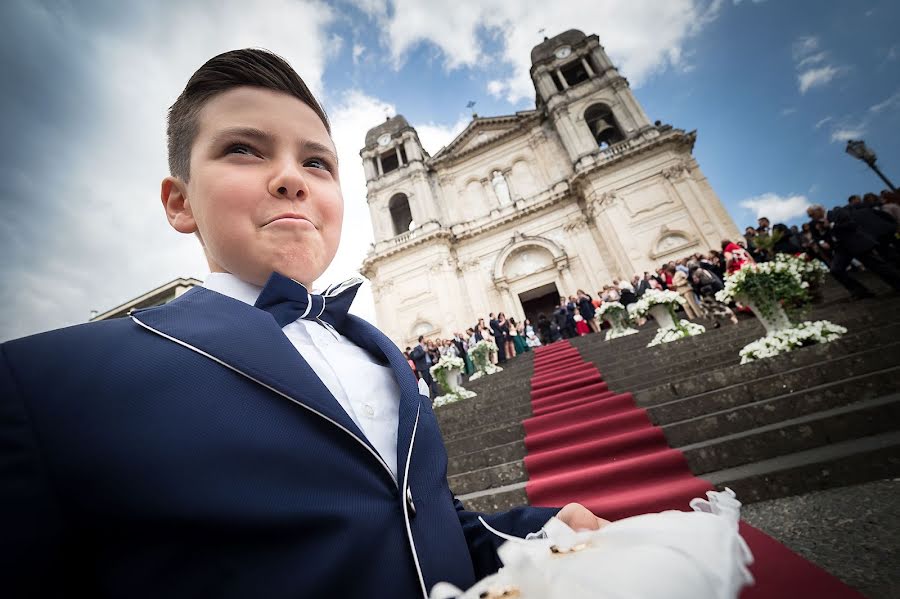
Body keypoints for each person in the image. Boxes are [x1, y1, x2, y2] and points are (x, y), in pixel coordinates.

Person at [0, 49, 611, 598]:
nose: (293, 177)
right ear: (180, 203)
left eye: (318, 162)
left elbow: (422, 521)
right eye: (242, 149)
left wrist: (541, 528)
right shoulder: (42, 385)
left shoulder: (386, 358)